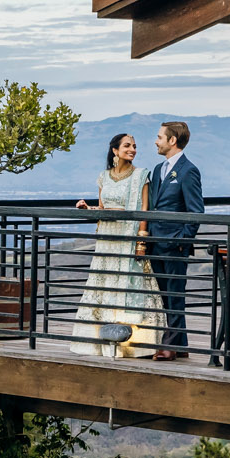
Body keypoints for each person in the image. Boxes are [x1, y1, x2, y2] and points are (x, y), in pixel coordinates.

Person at [70, 132, 164, 357]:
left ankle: (134, 344)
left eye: (134, 146)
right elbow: (103, 208)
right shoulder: (103, 177)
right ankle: (102, 340)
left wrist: (141, 240)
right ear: (115, 151)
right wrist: (88, 209)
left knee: (129, 284)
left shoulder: (141, 176)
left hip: (127, 237)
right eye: (127, 146)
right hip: (107, 240)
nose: (132, 149)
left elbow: (143, 210)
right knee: (104, 285)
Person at [145, 120, 203, 360]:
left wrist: (183, 240)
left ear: (173, 141)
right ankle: (181, 345)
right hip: (155, 243)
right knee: (165, 296)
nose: (156, 141)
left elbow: (196, 211)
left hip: (175, 245)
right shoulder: (158, 170)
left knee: (175, 295)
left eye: (160, 137)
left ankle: (168, 346)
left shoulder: (189, 171)